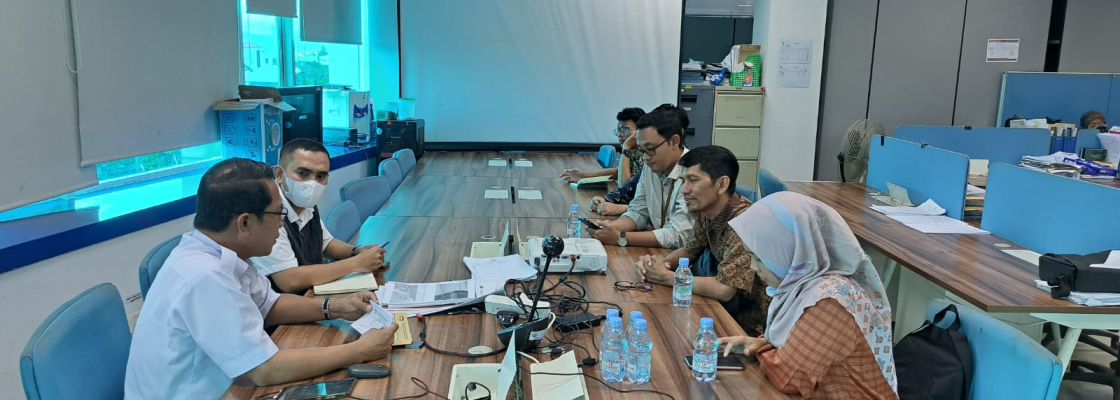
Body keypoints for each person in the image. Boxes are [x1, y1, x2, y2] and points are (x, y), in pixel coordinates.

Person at [125, 158, 398, 400]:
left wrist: (336, 306)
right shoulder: (205, 276)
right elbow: (265, 369)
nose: (282, 223)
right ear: (244, 223)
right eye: (278, 214)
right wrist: (360, 350)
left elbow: (271, 305)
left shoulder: (225, 253)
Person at [719, 192, 897, 400]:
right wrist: (762, 344)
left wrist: (764, 351)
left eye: (759, 258)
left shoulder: (829, 300)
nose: (752, 266)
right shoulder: (801, 286)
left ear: (791, 250)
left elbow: (791, 378)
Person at [633, 145, 771, 335]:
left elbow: (724, 289)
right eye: (683, 181)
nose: (684, 190)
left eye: (693, 180)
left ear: (721, 184)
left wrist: (667, 277)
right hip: (720, 310)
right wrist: (658, 265)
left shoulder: (744, 223)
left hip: (747, 328)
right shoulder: (707, 211)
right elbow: (690, 250)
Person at [251, 139, 387, 294]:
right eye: (303, 174)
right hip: (286, 304)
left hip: (311, 295)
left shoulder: (306, 205)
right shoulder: (268, 214)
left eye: (321, 176)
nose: (312, 184)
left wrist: (357, 251)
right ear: (279, 174)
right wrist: (356, 263)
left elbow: (326, 244)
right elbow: (290, 280)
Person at [589, 107, 692, 248]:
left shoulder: (693, 174)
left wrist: (620, 237)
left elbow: (678, 236)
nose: (646, 158)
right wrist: (610, 227)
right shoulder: (651, 167)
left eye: (651, 149)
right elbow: (639, 211)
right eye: (642, 150)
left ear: (674, 141)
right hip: (662, 251)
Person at [560, 107, 646, 185]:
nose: (620, 134)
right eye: (619, 130)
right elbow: (618, 171)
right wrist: (584, 175)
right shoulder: (633, 151)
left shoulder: (648, 155)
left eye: (625, 129)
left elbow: (626, 186)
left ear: (640, 131)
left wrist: (625, 149)